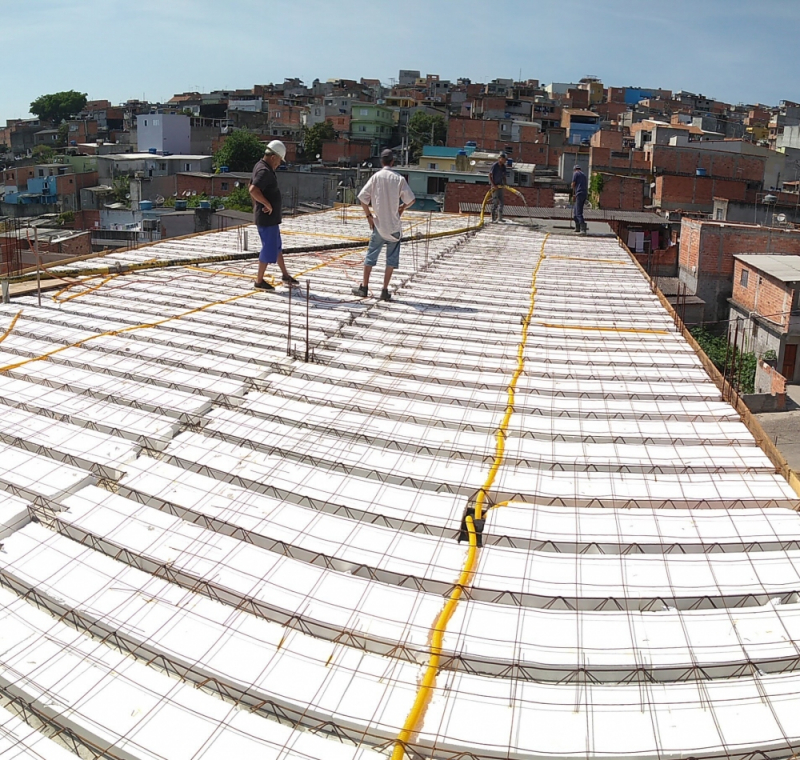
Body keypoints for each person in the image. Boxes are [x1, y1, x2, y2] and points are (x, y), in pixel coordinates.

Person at [352, 149, 415, 302]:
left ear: (381, 162)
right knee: (391, 260)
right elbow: (411, 200)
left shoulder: (376, 177)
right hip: (393, 227)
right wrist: (402, 208)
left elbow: (362, 198)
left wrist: (369, 217)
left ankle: (364, 287)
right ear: (393, 162)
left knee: (370, 257)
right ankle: (384, 290)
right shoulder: (398, 179)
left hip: (378, 226)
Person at [249, 140, 299, 291]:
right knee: (268, 249)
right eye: (279, 160)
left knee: (276, 247)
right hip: (266, 220)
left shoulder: (262, 166)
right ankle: (259, 281)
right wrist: (266, 204)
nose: (279, 164)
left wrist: (262, 204)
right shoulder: (264, 171)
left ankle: (285, 275)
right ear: (273, 157)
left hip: (270, 219)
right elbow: (253, 189)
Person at [489, 152, 508, 223]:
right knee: (495, 202)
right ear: (500, 159)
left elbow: (504, 176)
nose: (504, 161)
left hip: (500, 186)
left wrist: (505, 184)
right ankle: (493, 219)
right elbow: (490, 175)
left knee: (502, 202)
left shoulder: (503, 167)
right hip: (495, 186)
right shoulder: (495, 166)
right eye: (504, 159)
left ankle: (500, 218)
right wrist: (493, 185)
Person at [572, 164, 588, 235]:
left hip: (579, 194)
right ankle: (577, 227)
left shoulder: (576, 173)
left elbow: (573, 184)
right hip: (583, 194)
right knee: (576, 212)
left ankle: (582, 229)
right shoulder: (584, 175)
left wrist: (572, 187)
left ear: (575, 169)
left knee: (578, 212)